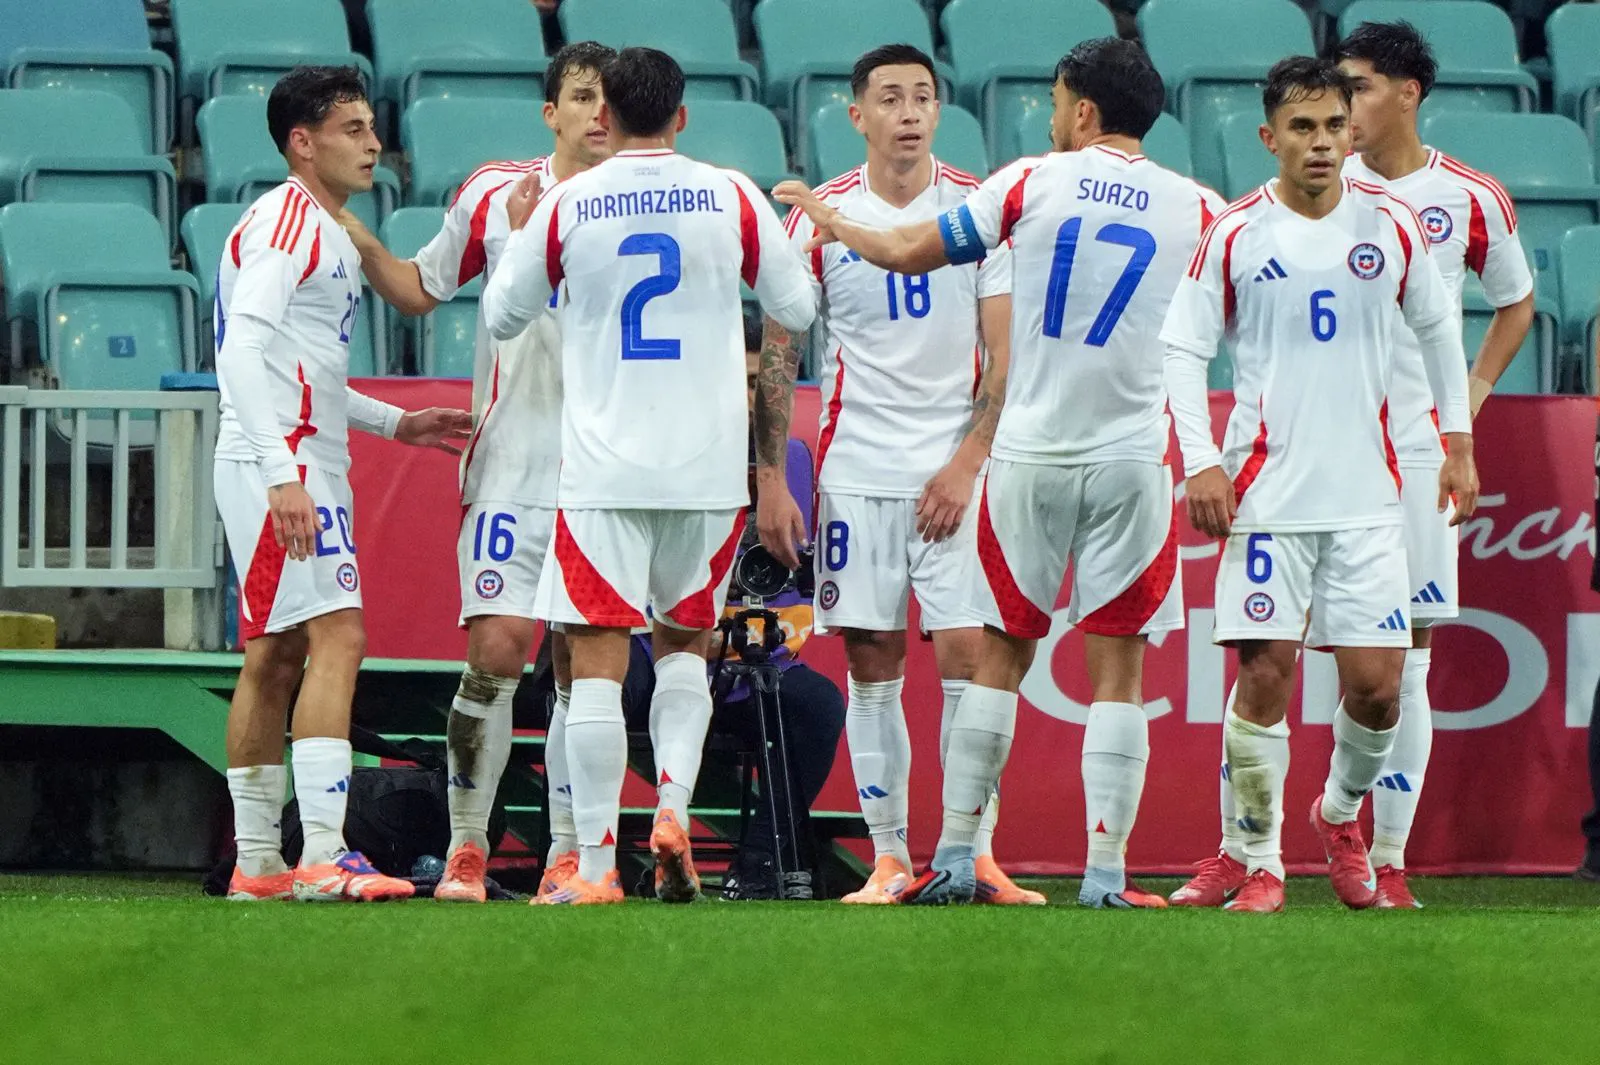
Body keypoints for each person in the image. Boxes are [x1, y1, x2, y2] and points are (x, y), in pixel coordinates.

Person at [778, 36, 1224, 907]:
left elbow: (910, 251)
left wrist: (830, 226)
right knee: (1119, 669)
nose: (1050, 115)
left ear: (1082, 110)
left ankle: (952, 853)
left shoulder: (1028, 184)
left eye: (1057, 99)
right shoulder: (1201, 207)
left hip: (1022, 458)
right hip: (1133, 458)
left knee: (996, 660)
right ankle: (1103, 876)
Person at [1168, 20, 1534, 913]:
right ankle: (1254, 860)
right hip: (1266, 498)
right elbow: (1181, 350)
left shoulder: (1402, 227)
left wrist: (1457, 437)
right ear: (1270, 138)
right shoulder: (1235, 232)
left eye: (1335, 124)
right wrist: (1201, 460)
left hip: (1375, 495)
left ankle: (1340, 815)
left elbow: (1443, 332)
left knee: (1379, 689)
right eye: (1304, 127)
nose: (1324, 141)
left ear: (1353, 129)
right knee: (1264, 675)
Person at [481, 47, 817, 904]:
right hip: (706, 471)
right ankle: (671, 808)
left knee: (592, 663)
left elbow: (503, 314)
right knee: (683, 650)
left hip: (604, 465)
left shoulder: (570, 199)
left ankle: (595, 865)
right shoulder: (732, 192)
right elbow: (797, 307)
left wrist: (527, 235)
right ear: (682, 115)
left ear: (607, 117)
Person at [341, 41, 617, 904]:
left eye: (609, 98)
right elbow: (422, 284)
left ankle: (568, 854)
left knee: (581, 662)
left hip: (609, 472)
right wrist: (351, 229)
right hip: (513, 459)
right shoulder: (495, 192)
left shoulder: (651, 197)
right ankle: (467, 847)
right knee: (498, 648)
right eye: (580, 97)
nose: (597, 112)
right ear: (553, 113)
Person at [760, 43, 1033, 906]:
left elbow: (1003, 354)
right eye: (890, 98)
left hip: (955, 474)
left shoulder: (978, 211)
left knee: (969, 657)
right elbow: (779, 351)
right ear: (858, 115)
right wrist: (773, 478)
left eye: (923, 96)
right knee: (873, 666)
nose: (909, 112)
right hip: (858, 470)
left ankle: (971, 852)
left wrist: (965, 463)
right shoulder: (818, 216)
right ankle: (888, 857)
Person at [214, 66, 472, 902]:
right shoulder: (292, 223)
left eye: (371, 126)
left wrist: (397, 423)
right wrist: (284, 474)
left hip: (291, 456)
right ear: (302, 141)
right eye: (353, 129)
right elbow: (242, 354)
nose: (373, 143)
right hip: (281, 462)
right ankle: (323, 852)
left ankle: (259, 865)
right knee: (340, 636)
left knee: (276, 654)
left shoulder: (321, 225)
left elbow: (300, 365)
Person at [606, 314, 847, 900]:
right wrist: (685, 633)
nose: (746, 399)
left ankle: (759, 861)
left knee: (817, 703)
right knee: (598, 686)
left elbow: (799, 597)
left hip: (746, 662)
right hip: (649, 644)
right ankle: (595, 854)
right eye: (732, 378)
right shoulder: (651, 449)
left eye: (756, 384)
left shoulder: (793, 462)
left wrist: (726, 640)